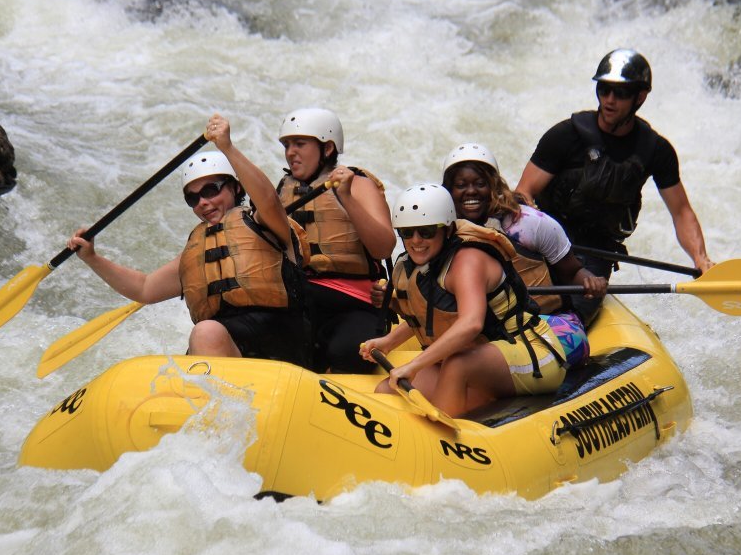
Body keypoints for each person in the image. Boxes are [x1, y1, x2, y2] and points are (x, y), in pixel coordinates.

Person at [68, 114, 309, 365]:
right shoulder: (196, 250)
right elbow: (144, 288)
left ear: (236, 188)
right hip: (223, 344)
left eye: (210, 190)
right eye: (193, 198)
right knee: (204, 335)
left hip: (279, 341)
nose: (202, 202)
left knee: (206, 332)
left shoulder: (266, 222)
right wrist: (92, 258)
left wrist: (227, 147)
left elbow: (268, 199)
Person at [515, 48, 714, 325]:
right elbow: (523, 194)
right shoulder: (565, 135)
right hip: (548, 240)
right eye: (604, 89)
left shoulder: (655, 150)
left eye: (619, 93)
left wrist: (700, 259)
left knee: (574, 314)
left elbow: (681, 212)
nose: (609, 100)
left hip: (597, 251)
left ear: (640, 97)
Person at [361, 184, 567, 418]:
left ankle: (443, 441)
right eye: (407, 233)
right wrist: (388, 342)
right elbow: (428, 313)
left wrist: (414, 366)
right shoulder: (422, 264)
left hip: (534, 353)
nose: (416, 240)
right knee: (387, 390)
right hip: (479, 359)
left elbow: (471, 323)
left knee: (457, 364)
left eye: (427, 231)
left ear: (447, 230)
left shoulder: (467, 260)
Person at [441, 142, 606, 367]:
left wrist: (590, 282)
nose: (471, 191)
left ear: (493, 186)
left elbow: (572, 271)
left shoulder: (529, 224)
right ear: (449, 192)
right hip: (489, 329)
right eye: (461, 185)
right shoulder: (441, 233)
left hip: (545, 322)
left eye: (480, 184)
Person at [275, 108, 396, 373]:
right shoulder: (282, 190)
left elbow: (384, 246)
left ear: (327, 148)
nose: (290, 152)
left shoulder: (358, 184)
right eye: (287, 145)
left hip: (353, 302)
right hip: (301, 300)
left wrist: (348, 198)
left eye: (300, 144)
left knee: (348, 351)